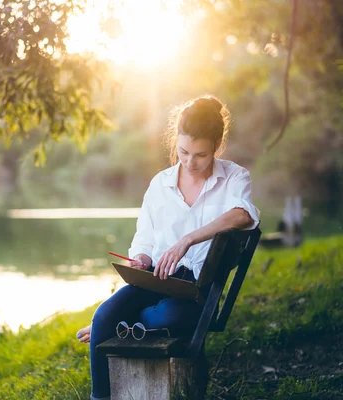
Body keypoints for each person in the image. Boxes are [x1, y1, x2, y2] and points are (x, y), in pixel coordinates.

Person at [76, 95, 260, 400]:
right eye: (184, 151)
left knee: (169, 317)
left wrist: (189, 238)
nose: (190, 162)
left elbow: (245, 214)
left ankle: (122, 325)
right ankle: (101, 391)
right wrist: (141, 257)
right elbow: (144, 238)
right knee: (103, 313)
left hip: (197, 290)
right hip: (157, 277)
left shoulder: (234, 177)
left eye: (200, 154)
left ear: (217, 145)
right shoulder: (159, 184)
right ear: (176, 140)